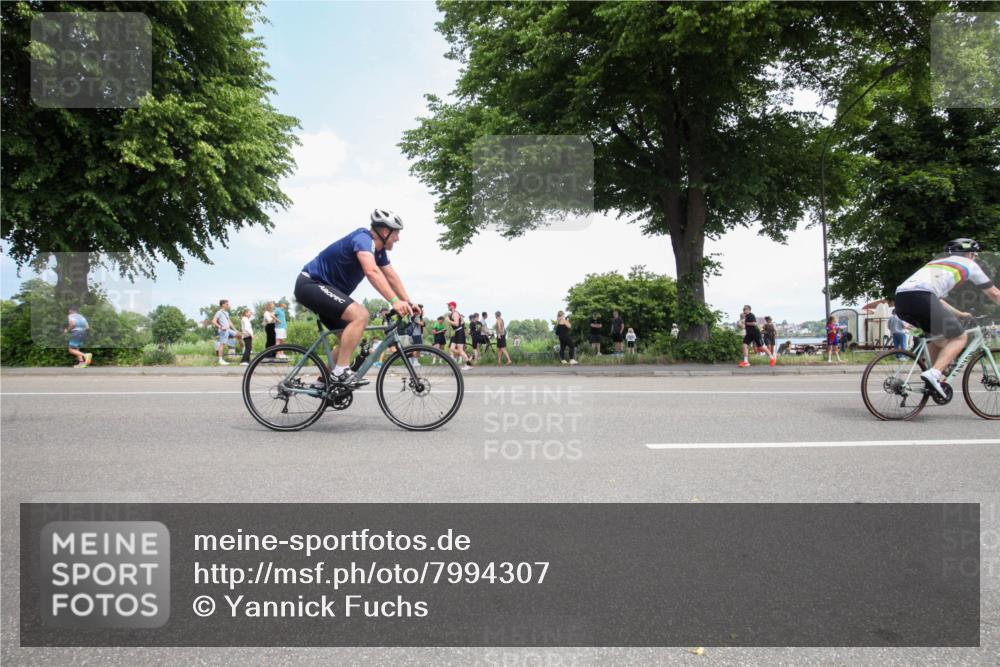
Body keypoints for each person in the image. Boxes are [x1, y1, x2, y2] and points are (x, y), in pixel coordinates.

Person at [294, 208, 414, 387]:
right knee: (361, 315)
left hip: (326, 291)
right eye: (396, 233)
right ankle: (340, 371)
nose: (397, 238)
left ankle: (323, 382)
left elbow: (391, 276)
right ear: (384, 231)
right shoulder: (363, 239)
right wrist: (395, 301)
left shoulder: (379, 252)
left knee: (349, 339)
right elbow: (372, 271)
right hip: (311, 284)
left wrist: (408, 302)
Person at [895, 238, 1000, 398]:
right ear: (969, 254)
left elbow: (938, 301)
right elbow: (994, 293)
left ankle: (933, 379)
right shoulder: (969, 264)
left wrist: (961, 314)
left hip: (901, 300)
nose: (975, 257)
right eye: (975, 254)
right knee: (960, 337)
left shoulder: (935, 264)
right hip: (923, 297)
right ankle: (934, 374)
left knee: (939, 338)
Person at [447, 301, 473, 369]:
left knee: (460, 350)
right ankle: (467, 356)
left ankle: (469, 365)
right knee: (452, 348)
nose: (448, 306)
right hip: (456, 333)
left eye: (449, 305)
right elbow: (461, 322)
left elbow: (456, 324)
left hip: (459, 332)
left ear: (453, 306)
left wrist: (449, 321)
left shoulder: (455, 313)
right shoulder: (452, 314)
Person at [211, 299, 236, 365]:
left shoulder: (226, 313)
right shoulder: (219, 312)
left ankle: (244, 350)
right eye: (227, 304)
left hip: (229, 330)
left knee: (239, 335)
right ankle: (220, 360)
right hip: (223, 331)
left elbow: (229, 322)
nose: (228, 305)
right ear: (223, 305)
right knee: (222, 344)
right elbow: (213, 321)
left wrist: (235, 330)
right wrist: (220, 327)